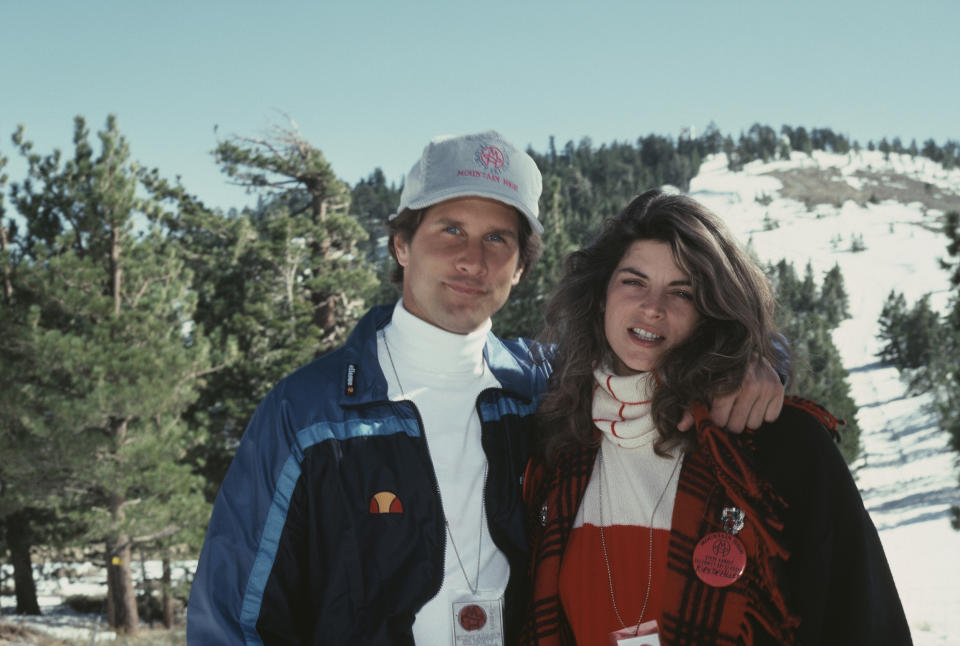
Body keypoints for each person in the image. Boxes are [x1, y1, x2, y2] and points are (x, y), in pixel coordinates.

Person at [186, 133, 785, 645]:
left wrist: (755, 364)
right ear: (401, 243)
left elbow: (664, 347)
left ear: (521, 265)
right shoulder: (311, 412)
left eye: (498, 238)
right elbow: (232, 616)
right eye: (450, 229)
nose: (472, 258)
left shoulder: (547, 387)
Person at [519, 189, 911, 645]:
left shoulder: (774, 443)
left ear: (712, 311)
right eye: (633, 281)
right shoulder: (559, 441)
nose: (653, 307)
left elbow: (862, 619)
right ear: (601, 294)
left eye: (682, 291)